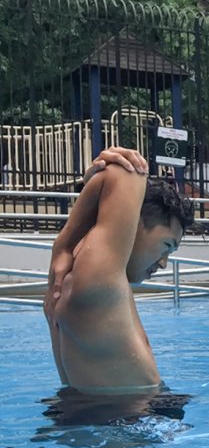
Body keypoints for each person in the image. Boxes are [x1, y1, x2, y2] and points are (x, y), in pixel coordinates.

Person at [44, 146, 193, 395]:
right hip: (127, 421)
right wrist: (63, 245)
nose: (164, 263)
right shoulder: (98, 282)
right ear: (134, 222)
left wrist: (95, 184)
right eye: (166, 245)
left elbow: (110, 181)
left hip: (94, 414)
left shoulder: (77, 280)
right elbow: (126, 174)